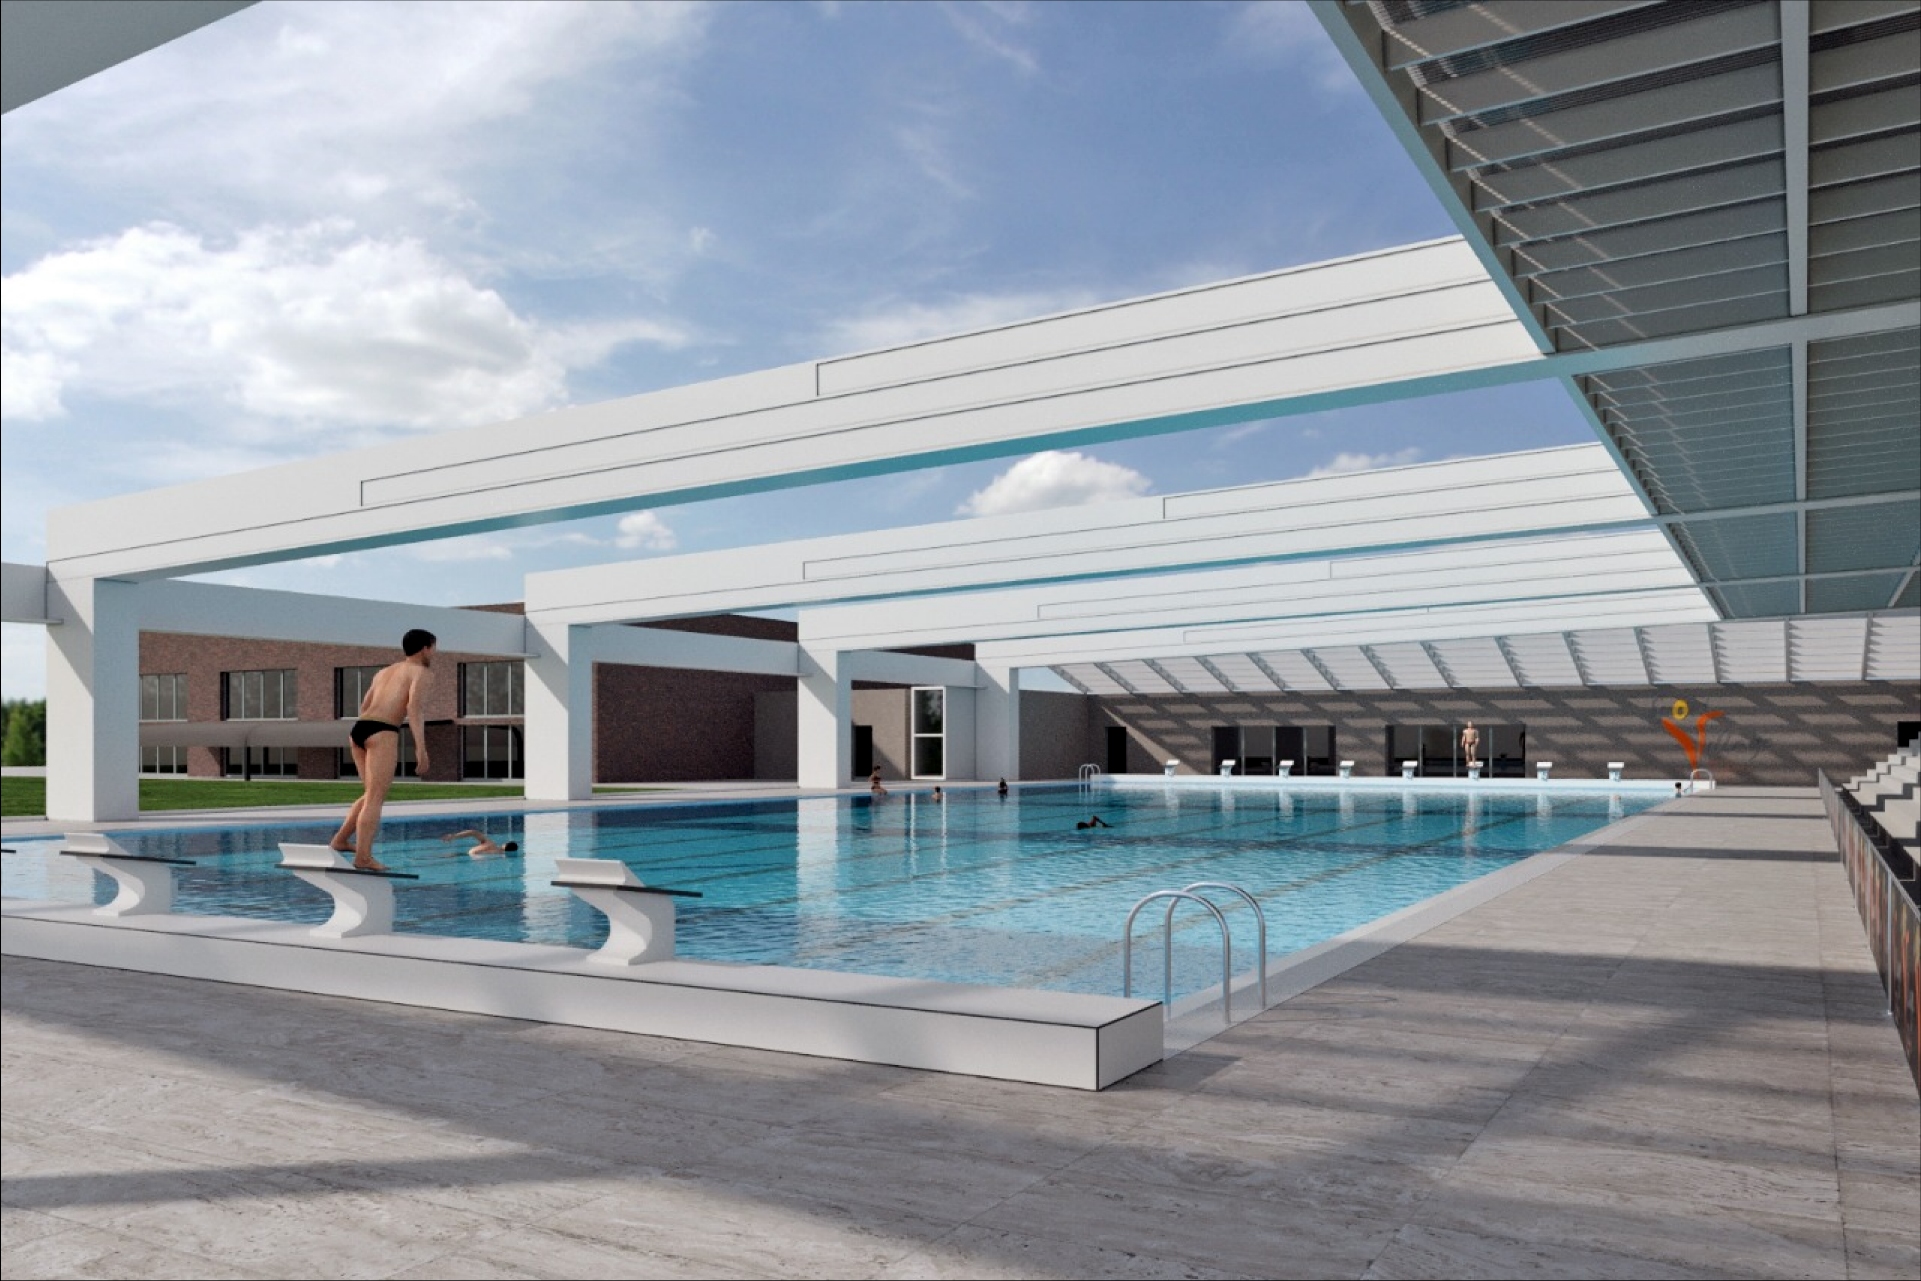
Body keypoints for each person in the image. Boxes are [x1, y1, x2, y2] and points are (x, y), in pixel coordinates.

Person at [329, 628, 437, 871]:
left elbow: (365, 704)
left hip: (359, 728)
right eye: (434, 648)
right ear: (425, 648)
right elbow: (414, 710)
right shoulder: (421, 672)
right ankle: (363, 857)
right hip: (383, 730)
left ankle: (340, 840)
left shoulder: (384, 672)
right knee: (376, 798)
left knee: (370, 794)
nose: (434, 653)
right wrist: (421, 749)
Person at [440, 829, 518, 857]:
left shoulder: (490, 843)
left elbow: (473, 832)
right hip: (468, 856)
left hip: (468, 855)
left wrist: (454, 836)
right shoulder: (498, 854)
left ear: (505, 844)